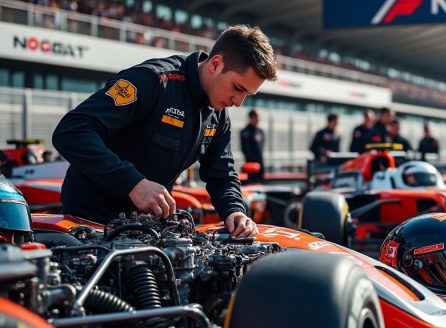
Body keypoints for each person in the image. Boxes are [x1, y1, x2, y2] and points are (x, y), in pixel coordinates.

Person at [52, 25, 278, 238]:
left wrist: (235, 211)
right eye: (238, 88)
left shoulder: (218, 114)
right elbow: (71, 130)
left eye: (247, 94)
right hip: (88, 224)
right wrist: (132, 183)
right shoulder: (153, 81)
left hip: (147, 228)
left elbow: (222, 173)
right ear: (215, 64)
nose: (239, 102)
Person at [240, 109, 265, 181]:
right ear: (251, 117)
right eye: (256, 117)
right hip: (250, 166)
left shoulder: (261, 132)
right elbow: (245, 149)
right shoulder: (245, 132)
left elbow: (261, 148)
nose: (258, 119)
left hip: (260, 166)